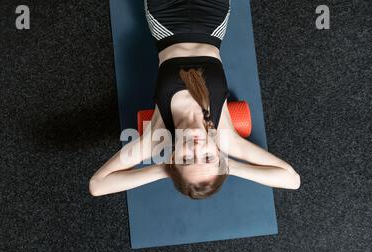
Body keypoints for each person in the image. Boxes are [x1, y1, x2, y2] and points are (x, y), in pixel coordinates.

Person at [89, 0, 300, 199]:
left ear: (173, 159)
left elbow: (98, 185)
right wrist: (229, 168)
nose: (196, 148)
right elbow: (292, 179)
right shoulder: (225, 137)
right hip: (212, 16)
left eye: (186, 159)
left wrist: (166, 171)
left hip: (165, 16)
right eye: (208, 157)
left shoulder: (155, 138)